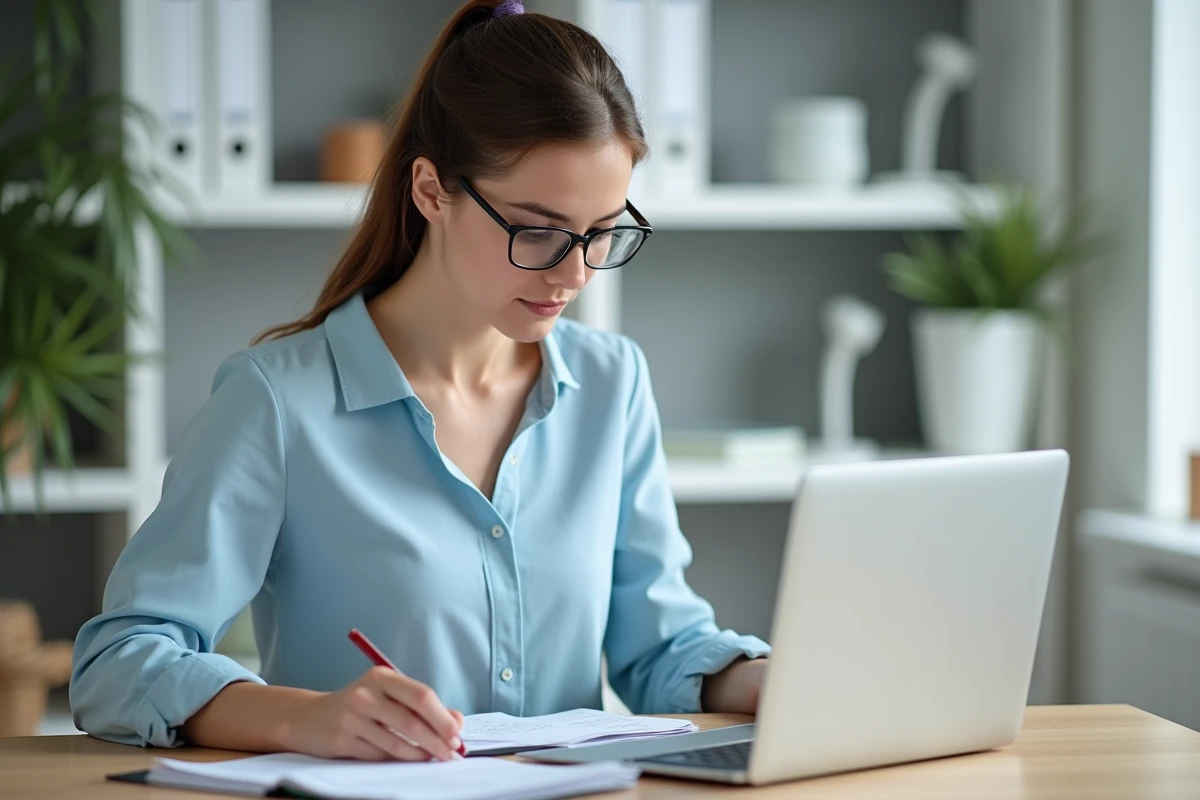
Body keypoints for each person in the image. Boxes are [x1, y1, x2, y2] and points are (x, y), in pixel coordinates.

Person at [70, 0, 769, 762]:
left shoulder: (612, 383)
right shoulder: (276, 401)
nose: (575, 273)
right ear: (433, 190)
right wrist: (300, 717)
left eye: (603, 233)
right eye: (539, 231)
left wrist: (768, 680)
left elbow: (659, 647)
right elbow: (118, 663)